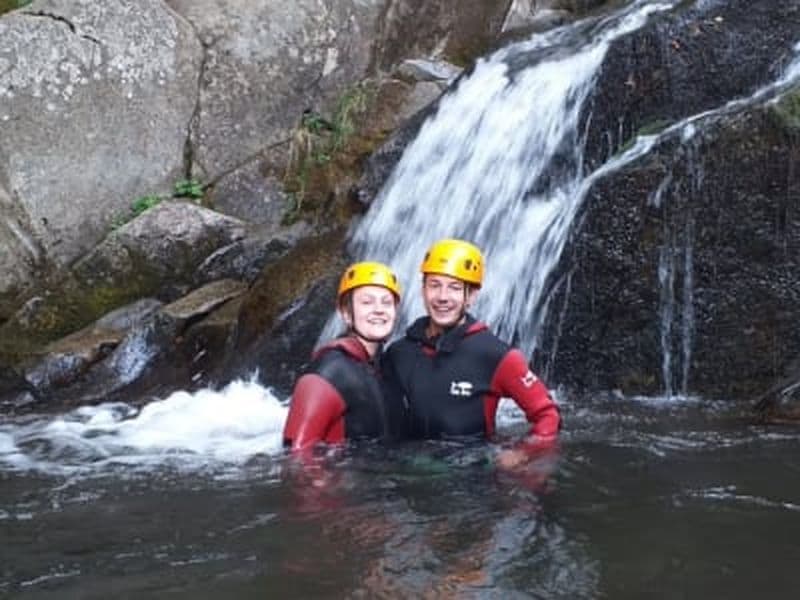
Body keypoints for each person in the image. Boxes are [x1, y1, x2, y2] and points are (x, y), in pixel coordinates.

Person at [383, 238, 560, 469]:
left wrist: (523, 452)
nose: (442, 296)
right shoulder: (400, 352)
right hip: (412, 470)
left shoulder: (495, 355)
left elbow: (548, 416)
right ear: (423, 290)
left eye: (455, 287)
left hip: (472, 480)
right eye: (434, 285)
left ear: (472, 296)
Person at [283, 261, 404, 453]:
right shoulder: (329, 372)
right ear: (346, 313)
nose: (379, 309)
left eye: (386, 302)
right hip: (344, 480)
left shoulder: (386, 369)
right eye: (367, 302)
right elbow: (296, 457)